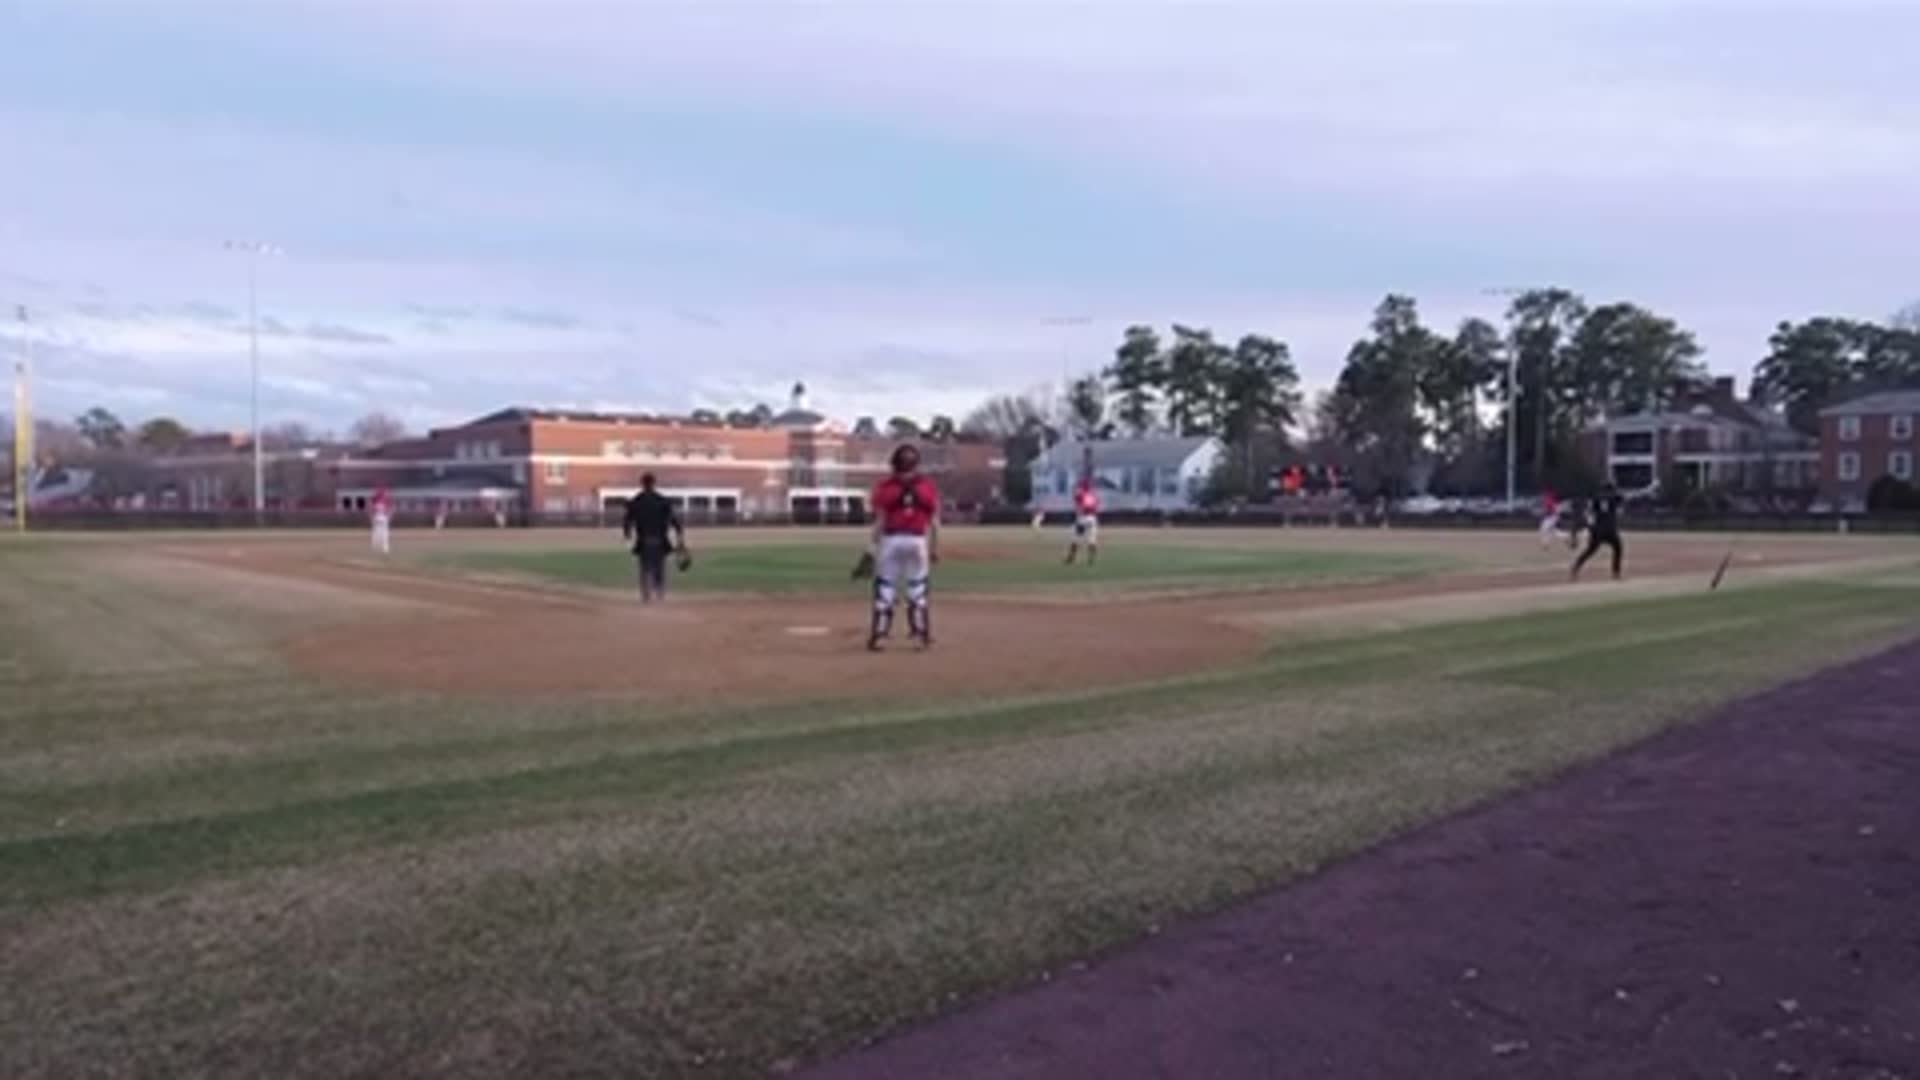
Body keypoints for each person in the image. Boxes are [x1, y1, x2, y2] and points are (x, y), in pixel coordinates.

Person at [867, 443, 940, 651]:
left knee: (886, 587)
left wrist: (871, 547)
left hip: (891, 540)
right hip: (917, 540)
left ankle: (880, 636)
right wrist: (934, 548)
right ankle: (920, 636)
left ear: (894, 464)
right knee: (917, 588)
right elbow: (934, 522)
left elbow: (880, 521)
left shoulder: (885, 487)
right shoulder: (926, 486)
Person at [622, 472, 686, 603]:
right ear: (654, 483)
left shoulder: (636, 501)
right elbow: (674, 520)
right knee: (659, 568)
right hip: (660, 539)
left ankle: (646, 595)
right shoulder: (663, 500)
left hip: (643, 540)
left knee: (645, 568)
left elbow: (627, 521)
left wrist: (627, 536)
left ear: (642, 484)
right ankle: (659, 593)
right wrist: (679, 535)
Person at [1571, 483, 1625, 581]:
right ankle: (1616, 572)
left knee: (1590, 550)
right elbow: (1623, 500)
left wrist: (1590, 527)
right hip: (1610, 529)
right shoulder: (1615, 496)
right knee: (1618, 548)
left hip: (1597, 528)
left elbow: (1590, 512)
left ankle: (1576, 567)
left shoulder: (1596, 497)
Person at [1064, 480, 1100, 565]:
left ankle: (1071, 558)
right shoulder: (1094, 495)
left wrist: (1074, 489)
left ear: (1083, 487)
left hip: (1083, 518)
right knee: (1092, 539)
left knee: (1076, 538)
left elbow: (1076, 499)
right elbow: (1096, 505)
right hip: (1093, 518)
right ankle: (1092, 559)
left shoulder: (1081, 494)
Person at [370, 487, 393, 555]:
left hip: (379, 517)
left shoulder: (376, 501)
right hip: (381, 517)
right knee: (383, 533)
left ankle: (377, 547)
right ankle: (384, 548)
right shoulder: (384, 500)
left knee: (377, 533)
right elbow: (389, 509)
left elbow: (371, 509)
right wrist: (389, 515)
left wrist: (372, 516)